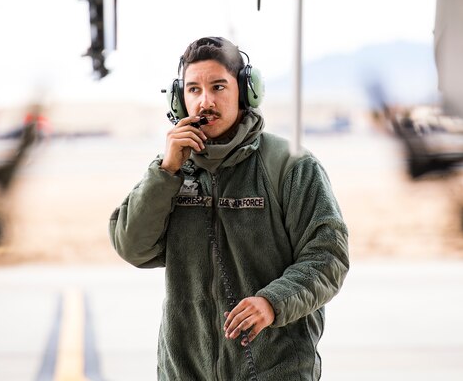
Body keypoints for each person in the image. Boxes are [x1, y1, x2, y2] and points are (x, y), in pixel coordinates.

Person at [109, 37, 349, 380]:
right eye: (193, 89)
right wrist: (166, 173)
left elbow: (328, 257)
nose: (205, 101)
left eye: (218, 86)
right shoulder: (171, 170)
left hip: (276, 370)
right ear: (179, 99)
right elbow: (132, 247)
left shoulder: (291, 164)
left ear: (246, 92)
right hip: (184, 372)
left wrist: (272, 303)